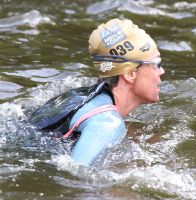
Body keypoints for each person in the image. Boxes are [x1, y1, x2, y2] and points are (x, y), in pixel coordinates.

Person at [28, 18, 165, 166]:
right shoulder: (107, 123)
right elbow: (74, 173)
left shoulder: (84, 96)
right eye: (157, 64)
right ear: (130, 73)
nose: (162, 71)